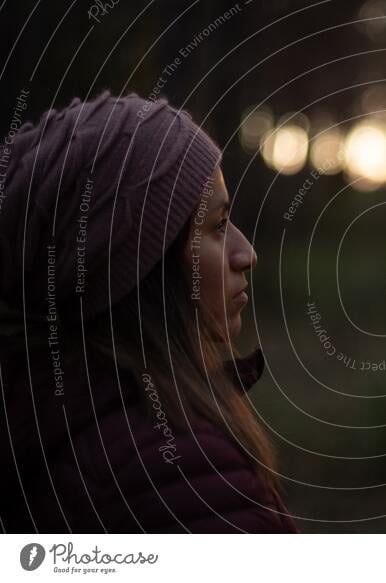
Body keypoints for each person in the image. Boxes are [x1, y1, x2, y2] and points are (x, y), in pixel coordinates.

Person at [0, 91, 299, 533]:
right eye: (217, 226)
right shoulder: (175, 466)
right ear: (136, 266)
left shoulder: (46, 416)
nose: (247, 254)